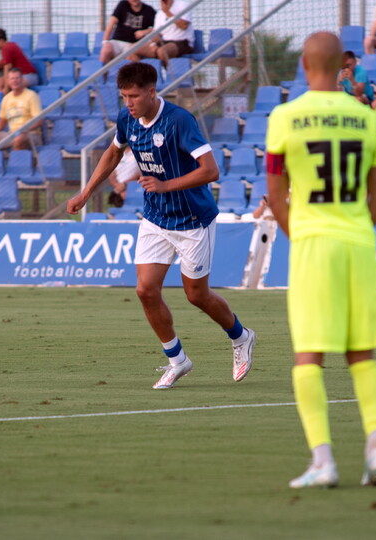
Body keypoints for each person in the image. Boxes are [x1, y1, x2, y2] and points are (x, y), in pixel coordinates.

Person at [66, 62, 256, 390]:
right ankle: (177, 360)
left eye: (135, 96)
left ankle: (241, 336)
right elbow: (114, 153)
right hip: (155, 218)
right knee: (145, 290)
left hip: (193, 219)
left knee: (196, 295)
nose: (128, 102)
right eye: (124, 96)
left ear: (152, 92)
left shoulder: (179, 121)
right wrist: (86, 191)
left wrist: (166, 185)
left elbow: (211, 171)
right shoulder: (127, 118)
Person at [266, 32, 376, 489]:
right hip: (357, 241)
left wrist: (300, 235)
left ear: (303, 63)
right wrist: (360, 226)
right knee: (362, 354)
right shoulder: (366, 117)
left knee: (308, 356)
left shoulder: (285, 116)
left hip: (313, 243)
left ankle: (324, 461)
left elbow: (275, 193)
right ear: (344, 65)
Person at [0, 68, 42, 151]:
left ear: (22, 79)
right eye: (12, 78)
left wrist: (24, 129)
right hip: (12, 133)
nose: (15, 81)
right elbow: (1, 124)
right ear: (8, 81)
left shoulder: (31, 95)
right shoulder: (6, 98)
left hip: (30, 133)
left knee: (19, 139)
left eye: (17, 78)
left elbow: (39, 120)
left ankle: (15, 163)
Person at [130, 0, 194, 67]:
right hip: (164, 41)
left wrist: (168, 13)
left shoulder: (182, 5)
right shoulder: (160, 13)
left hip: (182, 41)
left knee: (162, 52)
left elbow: (184, 26)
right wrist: (153, 44)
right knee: (131, 50)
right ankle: (144, 74)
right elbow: (157, 33)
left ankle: (170, 75)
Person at [100, 0, 157, 64]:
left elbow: (158, 27)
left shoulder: (149, 10)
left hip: (134, 45)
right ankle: (103, 73)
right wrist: (105, 41)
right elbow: (111, 23)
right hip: (117, 42)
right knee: (106, 50)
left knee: (131, 54)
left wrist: (144, 32)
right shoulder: (123, 5)